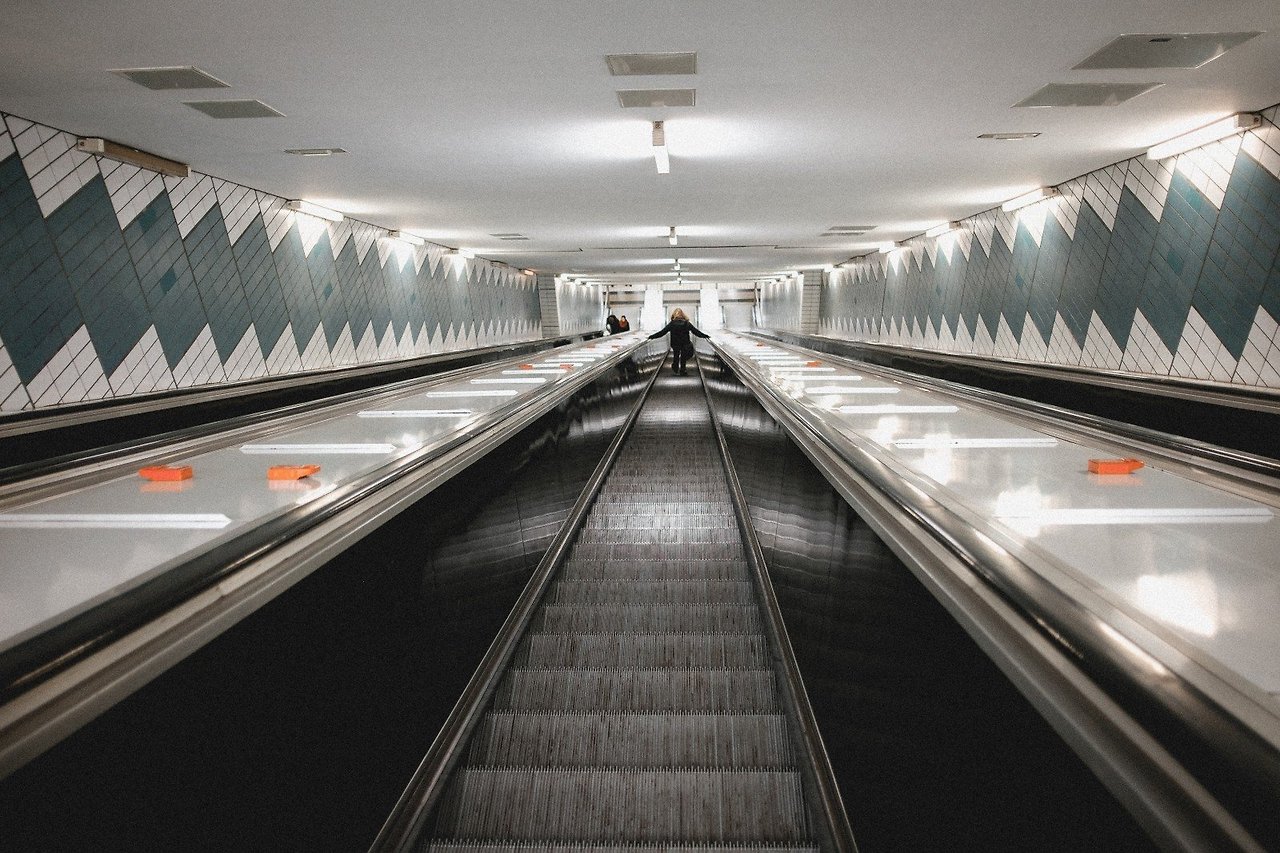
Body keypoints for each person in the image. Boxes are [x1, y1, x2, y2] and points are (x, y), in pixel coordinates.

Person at [647, 308, 709, 375]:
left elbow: (662, 332)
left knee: (676, 355)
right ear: (683, 315)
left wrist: (652, 336)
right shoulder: (687, 323)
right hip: (685, 343)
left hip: (675, 343)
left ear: (674, 315)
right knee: (683, 357)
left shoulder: (672, 324)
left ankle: (675, 366)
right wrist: (705, 336)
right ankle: (683, 370)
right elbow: (696, 332)